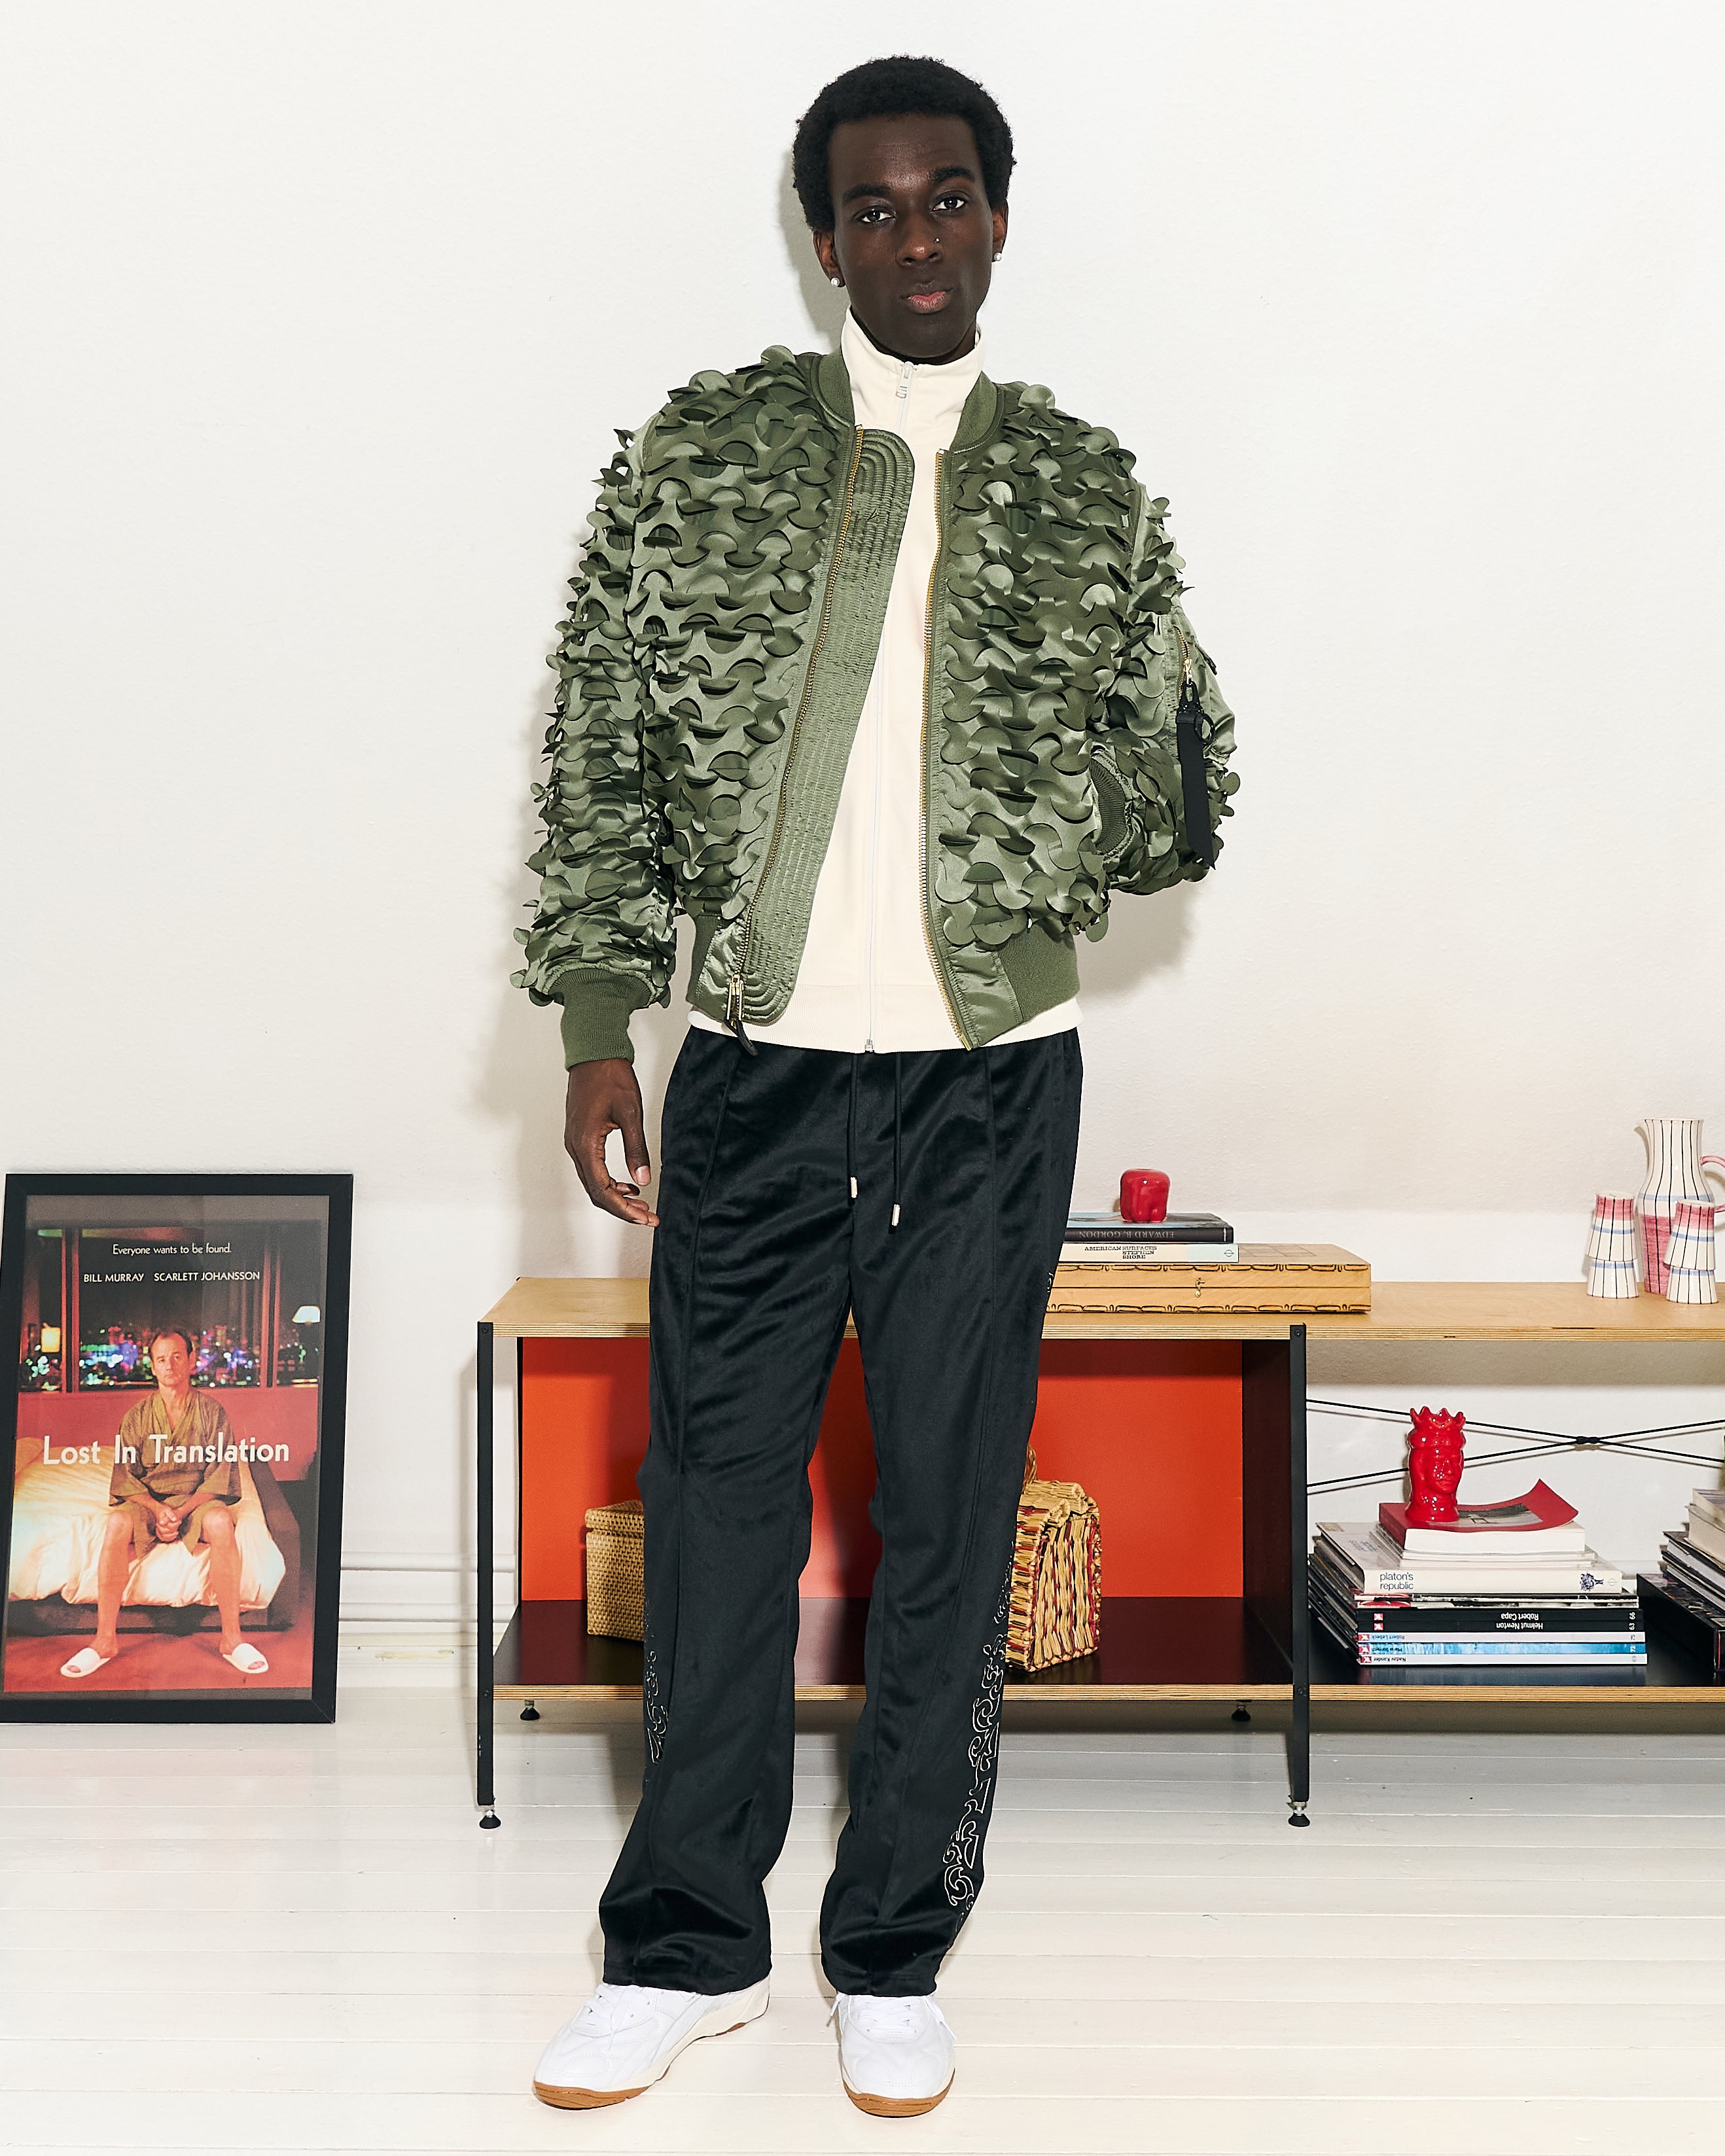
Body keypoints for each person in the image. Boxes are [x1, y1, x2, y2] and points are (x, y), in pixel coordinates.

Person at [519, 54, 1237, 2115]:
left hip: (984, 1084)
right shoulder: (699, 461)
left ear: (995, 218)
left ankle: (895, 1944)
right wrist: (597, 1021)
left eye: (944, 198)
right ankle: (684, 1947)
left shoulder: (1080, 486)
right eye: (869, 206)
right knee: (716, 1508)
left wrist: (1126, 730)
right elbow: (600, 748)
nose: (911, 235)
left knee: (944, 1512)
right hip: (751, 1071)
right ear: (821, 238)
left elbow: (1172, 813)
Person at [58, 1324, 270, 1680]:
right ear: (152, 1366)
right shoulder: (137, 1417)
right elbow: (125, 1477)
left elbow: (220, 1474)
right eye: (161, 1359)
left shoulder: (213, 1412)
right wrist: (158, 1510)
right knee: (116, 1523)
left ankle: (232, 1639)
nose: (169, 1365)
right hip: (149, 1501)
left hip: (196, 1500)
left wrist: (181, 1511)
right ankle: (105, 1640)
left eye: (177, 1357)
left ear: (192, 1361)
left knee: (221, 1522)